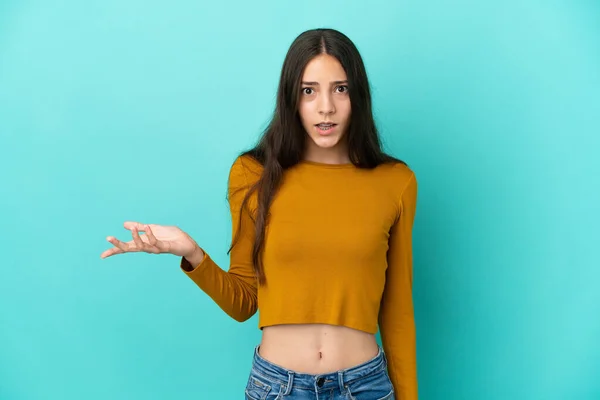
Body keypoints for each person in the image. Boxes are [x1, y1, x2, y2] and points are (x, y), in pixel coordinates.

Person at [101, 28, 418, 400]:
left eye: (341, 88)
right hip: (278, 388)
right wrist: (191, 254)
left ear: (358, 95)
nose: (326, 107)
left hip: (364, 387)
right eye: (309, 90)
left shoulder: (395, 182)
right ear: (291, 98)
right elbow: (243, 303)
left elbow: (397, 313)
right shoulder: (252, 174)